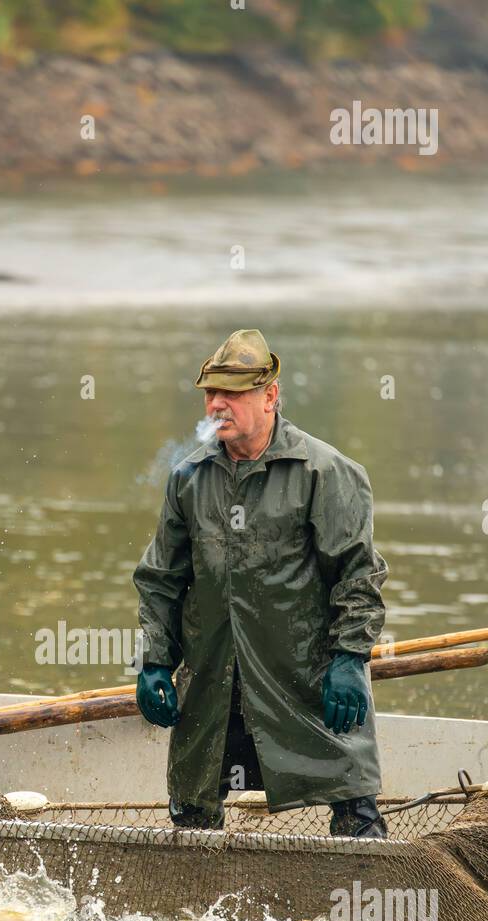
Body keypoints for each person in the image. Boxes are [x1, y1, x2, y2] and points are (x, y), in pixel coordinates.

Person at [133, 328, 389, 838]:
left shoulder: (327, 472)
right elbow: (161, 579)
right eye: (211, 394)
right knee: (193, 814)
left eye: (233, 394)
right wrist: (156, 661)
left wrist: (350, 658)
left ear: (270, 396)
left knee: (356, 813)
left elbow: (357, 574)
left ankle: (363, 907)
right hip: (212, 678)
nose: (218, 405)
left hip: (304, 676)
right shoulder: (188, 477)